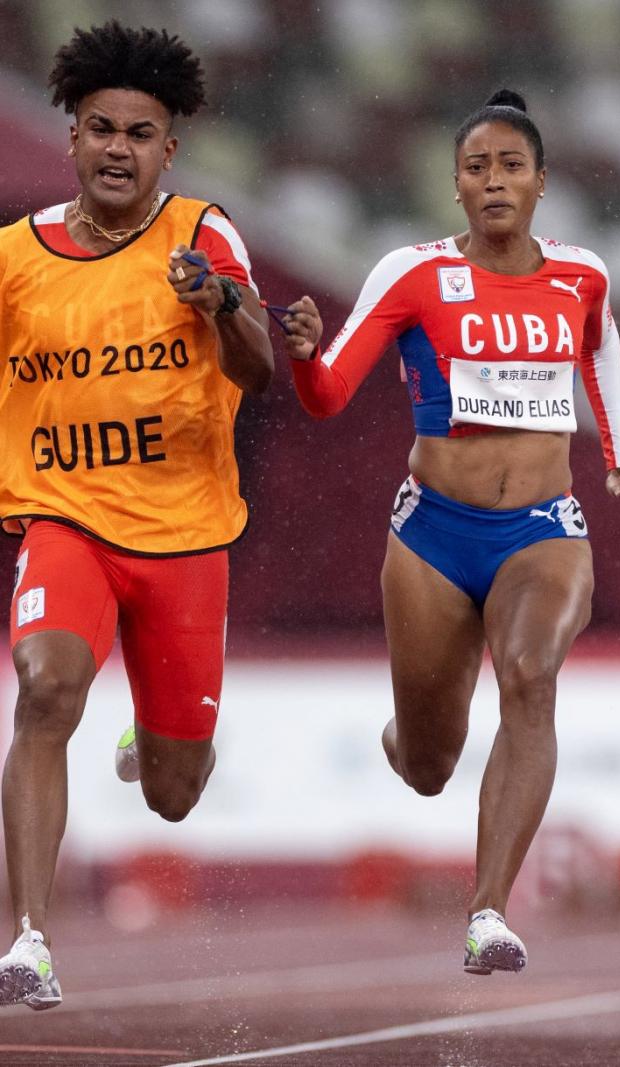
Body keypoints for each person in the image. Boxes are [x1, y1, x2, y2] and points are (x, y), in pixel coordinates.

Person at [282, 89, 620, 975]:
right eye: (477, 168)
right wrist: (302, 354)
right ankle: (402, 737)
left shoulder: (581, 275)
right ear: (455, 184)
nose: (494, 182)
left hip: (543, 528)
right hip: (433, 536)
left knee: (530, 675)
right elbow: (330, 394)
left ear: (540, 182)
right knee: (427, 763)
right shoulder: (411, 274)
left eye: (511, 167)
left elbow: (600, 352)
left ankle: (488, 909)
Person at [0, 22, 273, 1009]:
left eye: (140, 133)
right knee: (42, 690)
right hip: (63, 523)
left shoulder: (202, 234)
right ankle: (28, 936)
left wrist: (218, 307)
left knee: (172, 790)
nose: (118, 148)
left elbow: (260, 368)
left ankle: (154, 739)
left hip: (184, 539)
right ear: (71, 138)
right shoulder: (13, 261)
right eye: (101, 128)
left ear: (170, 148)